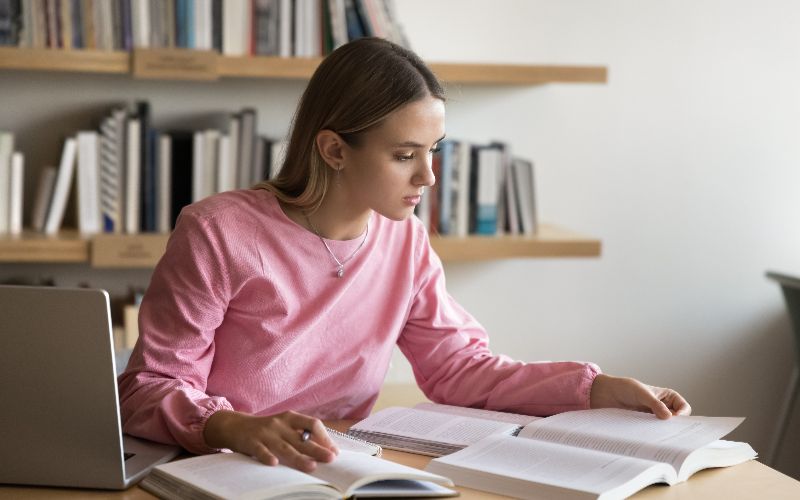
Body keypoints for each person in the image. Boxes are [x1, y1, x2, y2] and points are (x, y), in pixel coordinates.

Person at [118, 37, 690, 474]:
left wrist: (592, 388)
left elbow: (458, 368)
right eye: (404, 155)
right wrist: (234, 426)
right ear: (334, 149)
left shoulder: (405, 239)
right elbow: (150, 386)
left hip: (343, 469)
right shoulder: (217, 232)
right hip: (226, 469)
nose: (429, 176)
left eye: (434, 151)